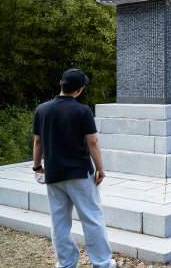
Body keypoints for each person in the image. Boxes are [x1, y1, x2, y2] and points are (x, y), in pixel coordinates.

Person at [32, 69, 116, 268]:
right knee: (92, 218)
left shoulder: (42, 110)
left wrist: (37, 167)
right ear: (79, 90)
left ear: (61, 83)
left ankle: (66, 263)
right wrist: (100, 168)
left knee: (59, 221)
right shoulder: (83, 111)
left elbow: (37, 141)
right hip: (80, 174)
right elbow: (93, 142)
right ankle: (102, 262)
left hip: (53, 175)